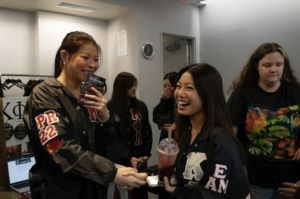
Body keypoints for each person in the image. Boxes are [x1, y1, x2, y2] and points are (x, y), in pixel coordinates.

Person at [23, 31, 146, 199]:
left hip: (92, 188)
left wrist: (104, 117)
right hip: (59, 190)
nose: (92, 65)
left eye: (96, 60)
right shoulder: (44, 94)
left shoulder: (89, 94)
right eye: (85, 57)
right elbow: (59, 147)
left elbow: (101, 145)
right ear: (65, 56)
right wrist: (111, 173)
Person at [128, 63, 250, 198]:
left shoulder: (222, 141)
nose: (180, 94)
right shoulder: (185, 133)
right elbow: (179, 169)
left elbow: (214, 195)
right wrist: (142, 175)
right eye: (179, 86)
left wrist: (176, 192)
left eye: (189, 88)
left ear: (208, 94)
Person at [227, 43, 300, 199]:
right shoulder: (243, 93)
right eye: (267, 65)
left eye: (279, 64)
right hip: (255, 178)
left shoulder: (295, 90)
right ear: (256, 66)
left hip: (291, 180)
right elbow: (229, 135)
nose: (274, 69)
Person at [95, 72, 153, 199]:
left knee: (140, 190)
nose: (134, 88)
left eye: (135, 85)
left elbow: (146, 130)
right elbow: (112, 137)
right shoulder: (108, 108)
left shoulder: (140, 106)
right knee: (122, 193)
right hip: (119, 161)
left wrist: (146, 153)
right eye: (131, 85)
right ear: (122, 87)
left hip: (140, 159)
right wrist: (128, 155)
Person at [153, 72, 178, 142]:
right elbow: (156, 119)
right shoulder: (167, 102)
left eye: (170, 86)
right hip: (166, 139)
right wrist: (163, 101)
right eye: (164, 86)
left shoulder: (182, 103)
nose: (167, 89)